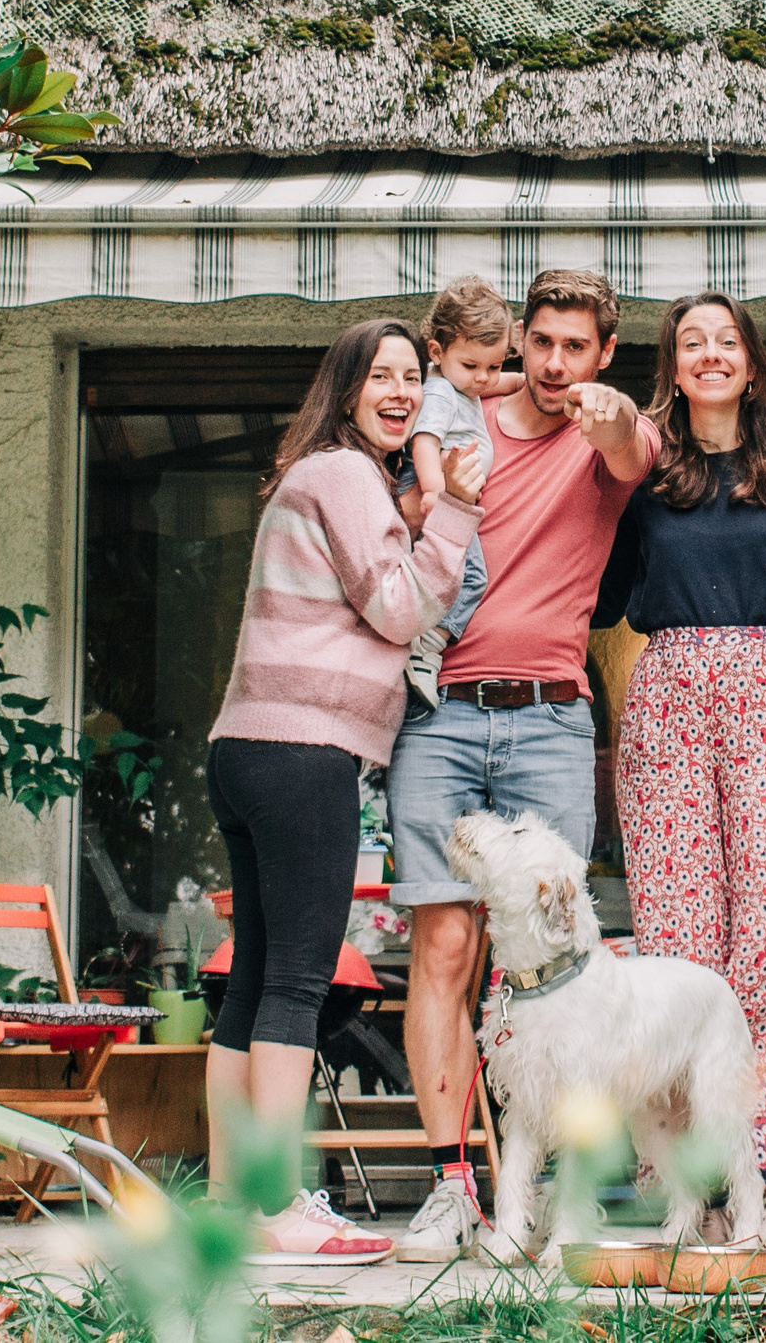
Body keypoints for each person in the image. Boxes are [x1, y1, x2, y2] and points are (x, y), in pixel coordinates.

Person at [386, 268, 658, 1263]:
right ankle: (451, 1185)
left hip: (550, 724)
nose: (551, 364)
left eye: (573, 348)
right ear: (516, 345)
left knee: (550, 966)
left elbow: (635, 444)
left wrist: (610, 413)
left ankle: (543, 1195)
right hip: (440, 716)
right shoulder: (461, 415)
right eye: (537, 344)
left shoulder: (608, 445)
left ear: (601, 355)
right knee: (445, 954)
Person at [206, 317, 484, 1264]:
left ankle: (231, 1202)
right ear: (347, 386)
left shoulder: (321, 475)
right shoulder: (346, 473)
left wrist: (412, 514)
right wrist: (452, 515)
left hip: (248, 746)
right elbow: (401, 605)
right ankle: (280, 1202)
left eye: (415, 376)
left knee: (251, 982)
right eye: (383, 376)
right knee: (295, 978)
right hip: (304, 750)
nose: (403, 391)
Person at [598, 291, 766, 1257]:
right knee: (679, 949)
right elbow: (609, 591)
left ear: (751, 359)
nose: (709, 353)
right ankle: (690, 1184)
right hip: (665, 693)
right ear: (672, 362)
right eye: (690, 341)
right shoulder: (645, 467)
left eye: (725, 339)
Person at [397, 275, 528, 709]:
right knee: (471, 579)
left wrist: (527, 383)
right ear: (436, 351)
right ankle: (426, 646)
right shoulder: (440, 393)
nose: (484, 378)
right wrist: (438, 493)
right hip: (441, 494)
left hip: (452, 497)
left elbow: (502, 383)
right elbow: (424, 442)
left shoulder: (462, 382)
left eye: (493, 365)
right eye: (473, 366)